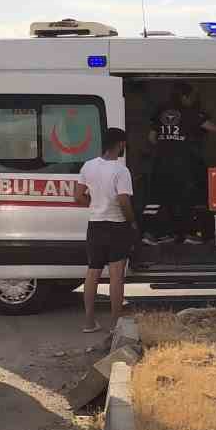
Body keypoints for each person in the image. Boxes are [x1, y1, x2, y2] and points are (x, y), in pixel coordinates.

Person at [74, 128, 136, 333]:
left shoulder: (88, 166)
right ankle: (115, 325)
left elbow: (78, 196)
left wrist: (95, 203)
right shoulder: (121, 170)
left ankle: (89, 322)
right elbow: (124, 200)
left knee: (93, 273)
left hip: (95, 225)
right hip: (116, 226)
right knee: (116, 276)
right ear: (119, 144)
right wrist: (131, 221)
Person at [145, 82, 216, 245]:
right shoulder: (191, 112)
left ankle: (159, 234)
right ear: (185, 96)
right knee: (187, 199)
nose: (192, 100)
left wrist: (165, 145)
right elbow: (212, 128)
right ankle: (188, 234)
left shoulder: (160, 111)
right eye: (191, 96)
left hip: (160, 164)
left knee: (163, 198)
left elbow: (151, 138)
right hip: (183, 165)